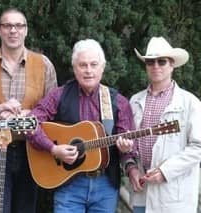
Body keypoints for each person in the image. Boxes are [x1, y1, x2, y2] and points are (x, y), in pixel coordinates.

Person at [27, 38, 134, 213]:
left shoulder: (118, 102)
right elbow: (31, 123)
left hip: (105, 185)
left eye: (94, 64)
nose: (89, 70)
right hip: (68, 183)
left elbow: (127, 145)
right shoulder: (58, 95)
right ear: (74, 68)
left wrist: (126, 148)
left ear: (102, 67)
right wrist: (53, 149)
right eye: (82, 65)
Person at [0, 8, 57, 213]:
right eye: (7, 25)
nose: (13, 30)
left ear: (26, 30)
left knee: (26, 208)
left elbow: (53, 110)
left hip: (31, 150)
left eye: (19, 25)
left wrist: (31, 115)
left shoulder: (44, 65)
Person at [124, 36, 201, 213]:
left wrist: (165, 171)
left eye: (162, 61)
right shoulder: (135, 101)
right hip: (142, 193)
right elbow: (129, 145)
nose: (156, 66)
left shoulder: (191, 103)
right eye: (150, 62)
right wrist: (132, 169)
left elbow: (198, 146)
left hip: (174, 198)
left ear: (172, 64)